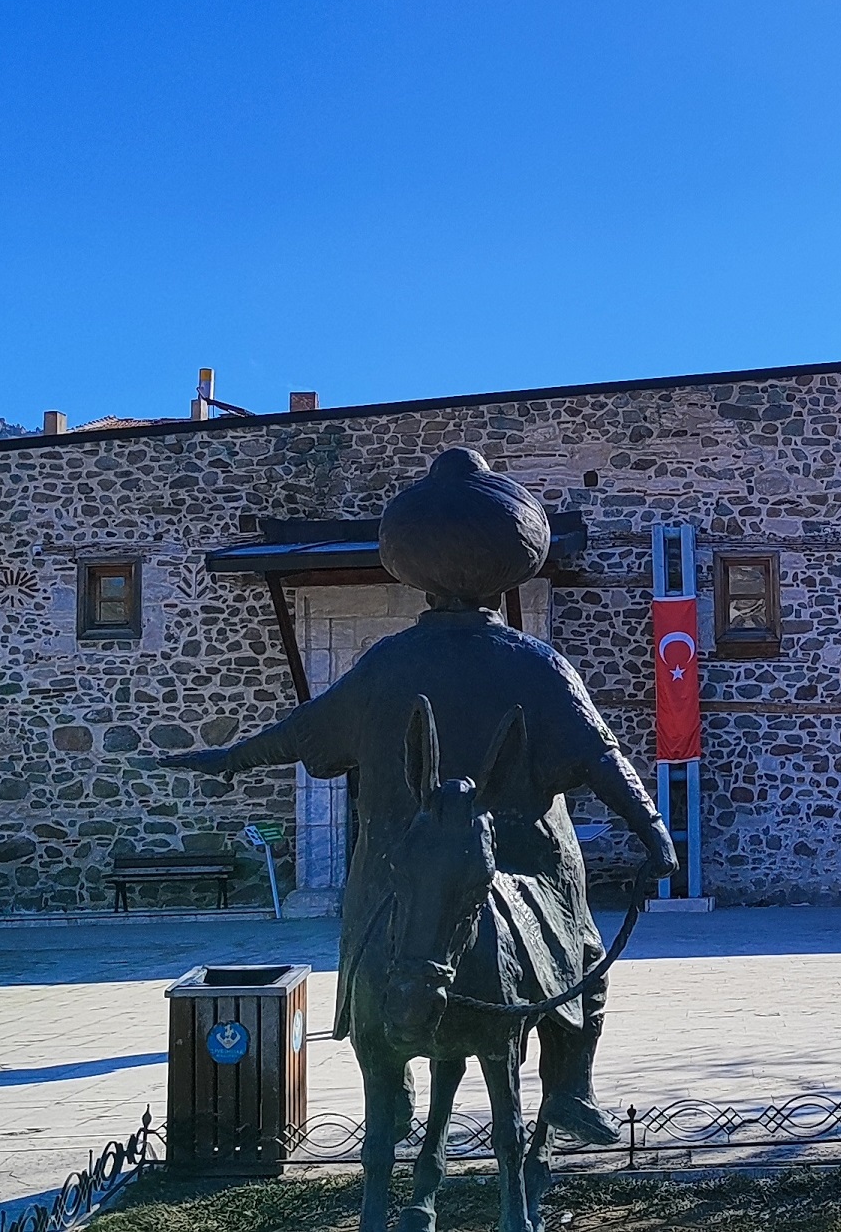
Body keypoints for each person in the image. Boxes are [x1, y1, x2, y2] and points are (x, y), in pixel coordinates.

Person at [169, 447, 676, 1146]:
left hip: (399, 864)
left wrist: (231, 758)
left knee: (380, 947)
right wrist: (655, 834)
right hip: (524, 859)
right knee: (583, 955)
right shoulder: (536, 663)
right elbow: (602, 757)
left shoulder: (388, 662)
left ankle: (393, 1091)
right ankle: (569, 1089)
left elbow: (301, 731)